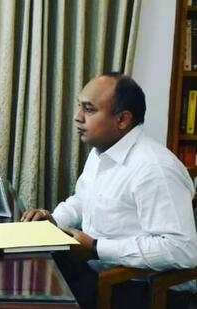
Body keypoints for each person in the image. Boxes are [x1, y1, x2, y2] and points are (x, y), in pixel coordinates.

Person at [21, 73, 197, 309]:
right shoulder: (102, 151)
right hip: (98, 268)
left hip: (140, 288)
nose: (77, 117)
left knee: (37, 298)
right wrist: (52, 219)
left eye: (89, 109)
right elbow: (83, 199)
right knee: (28, 270)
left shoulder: (155, 169)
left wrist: (96, 248)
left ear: (123, 120)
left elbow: (182, 249)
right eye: (79, 106)